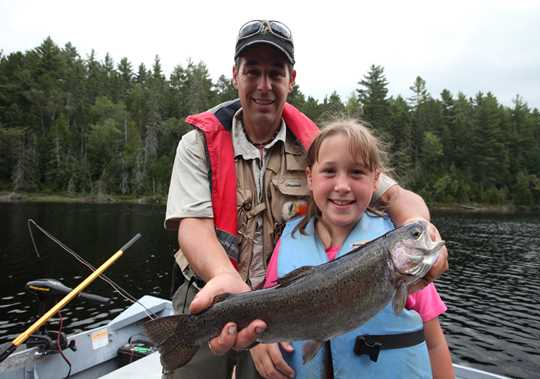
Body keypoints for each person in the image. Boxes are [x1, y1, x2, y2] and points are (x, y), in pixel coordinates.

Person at [164, 19, 448, 379]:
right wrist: (225, 277)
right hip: (208, 298)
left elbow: (397, 197)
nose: (264, 85)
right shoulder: (197, 145)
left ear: (291, 79)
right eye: (252, 72)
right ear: (235, 75)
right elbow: (192, 227)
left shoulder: (323, 152)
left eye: (275, 73)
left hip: (288, 309)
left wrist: (421, 230)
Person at [252, 119, 454, 379]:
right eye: (329, 172)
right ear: (309, 178)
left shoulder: (402, 261)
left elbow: (435, 343)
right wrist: (261, 340)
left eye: (357, 173)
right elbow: (266, 308)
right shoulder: (289, 241)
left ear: (375, 180)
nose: (342, 186)